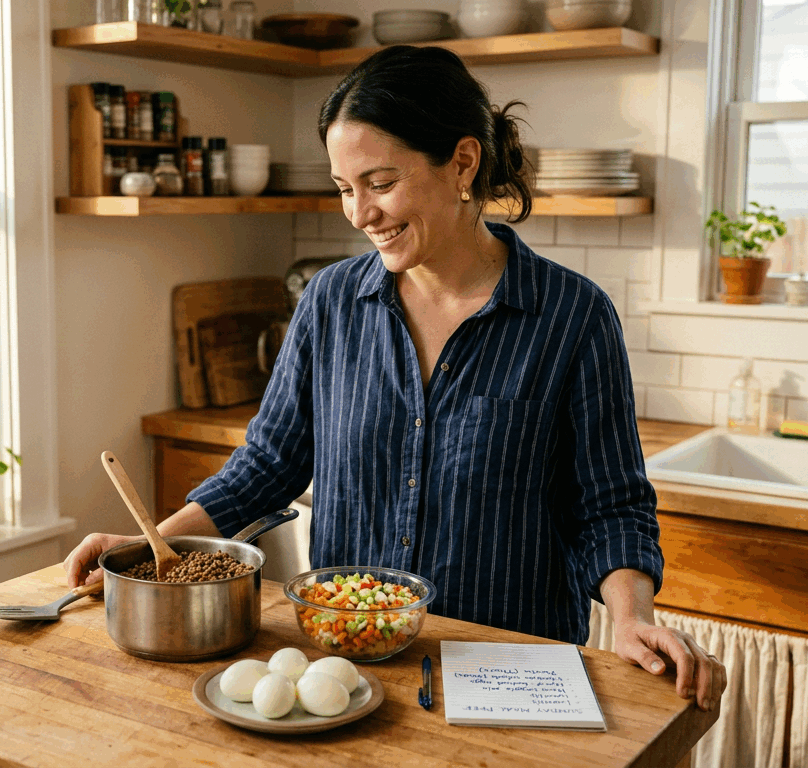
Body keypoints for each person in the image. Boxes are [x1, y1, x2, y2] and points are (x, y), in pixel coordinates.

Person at [66, 45, 726, 714]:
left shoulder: (572, 317)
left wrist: (633, 616)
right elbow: (267, 463)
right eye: (344, 188)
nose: (358, 213)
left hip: (512, 673)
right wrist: (150, 549)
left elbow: (609, 506)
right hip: (351, 674)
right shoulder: (330, 302)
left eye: (380, 183)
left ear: (463, 163)